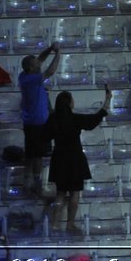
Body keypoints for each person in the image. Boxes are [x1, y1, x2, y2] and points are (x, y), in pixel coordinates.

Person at [45, 88, 113, 235]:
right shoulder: (74, 119)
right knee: (75, 193)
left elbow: (45, 135)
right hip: (75, 159)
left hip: (59, 159)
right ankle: (70, 224)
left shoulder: (52, 119)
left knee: (60, 193)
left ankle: (54, 225)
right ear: (70, 103)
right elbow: (93, 120)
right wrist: (107, 101)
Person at [18, 42, 61, 196]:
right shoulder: (32, 79)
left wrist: (49, 49)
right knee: (37, 156)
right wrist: (57, 54)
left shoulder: (25, 75)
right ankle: (36, 184)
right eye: (35, 62)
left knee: (31, 154)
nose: (39, 62)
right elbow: (51, 71)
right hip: (37, 124)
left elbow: (40, 60)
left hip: (33, 122)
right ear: (30, 68)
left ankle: (27, 182)